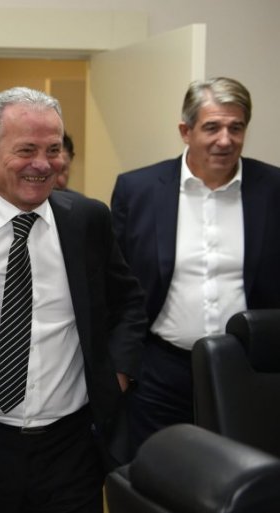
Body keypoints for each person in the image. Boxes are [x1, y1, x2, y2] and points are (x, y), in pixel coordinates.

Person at [0, 87, 146, 513]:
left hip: (72, 448)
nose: (43, 164)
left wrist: (116, 376)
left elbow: (129, 302)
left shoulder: (87, 220)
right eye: (26, 150)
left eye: (53, 150)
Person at [111, 77, 280, 452]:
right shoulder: (138, 190)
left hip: (250, 370)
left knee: (244, 476)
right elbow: (116, 288)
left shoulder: (273, 189)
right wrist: (120, 366)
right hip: (161, 371)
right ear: (186, 131)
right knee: (159, 472)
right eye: (212, 127)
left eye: (236, 128)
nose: (225, 140)